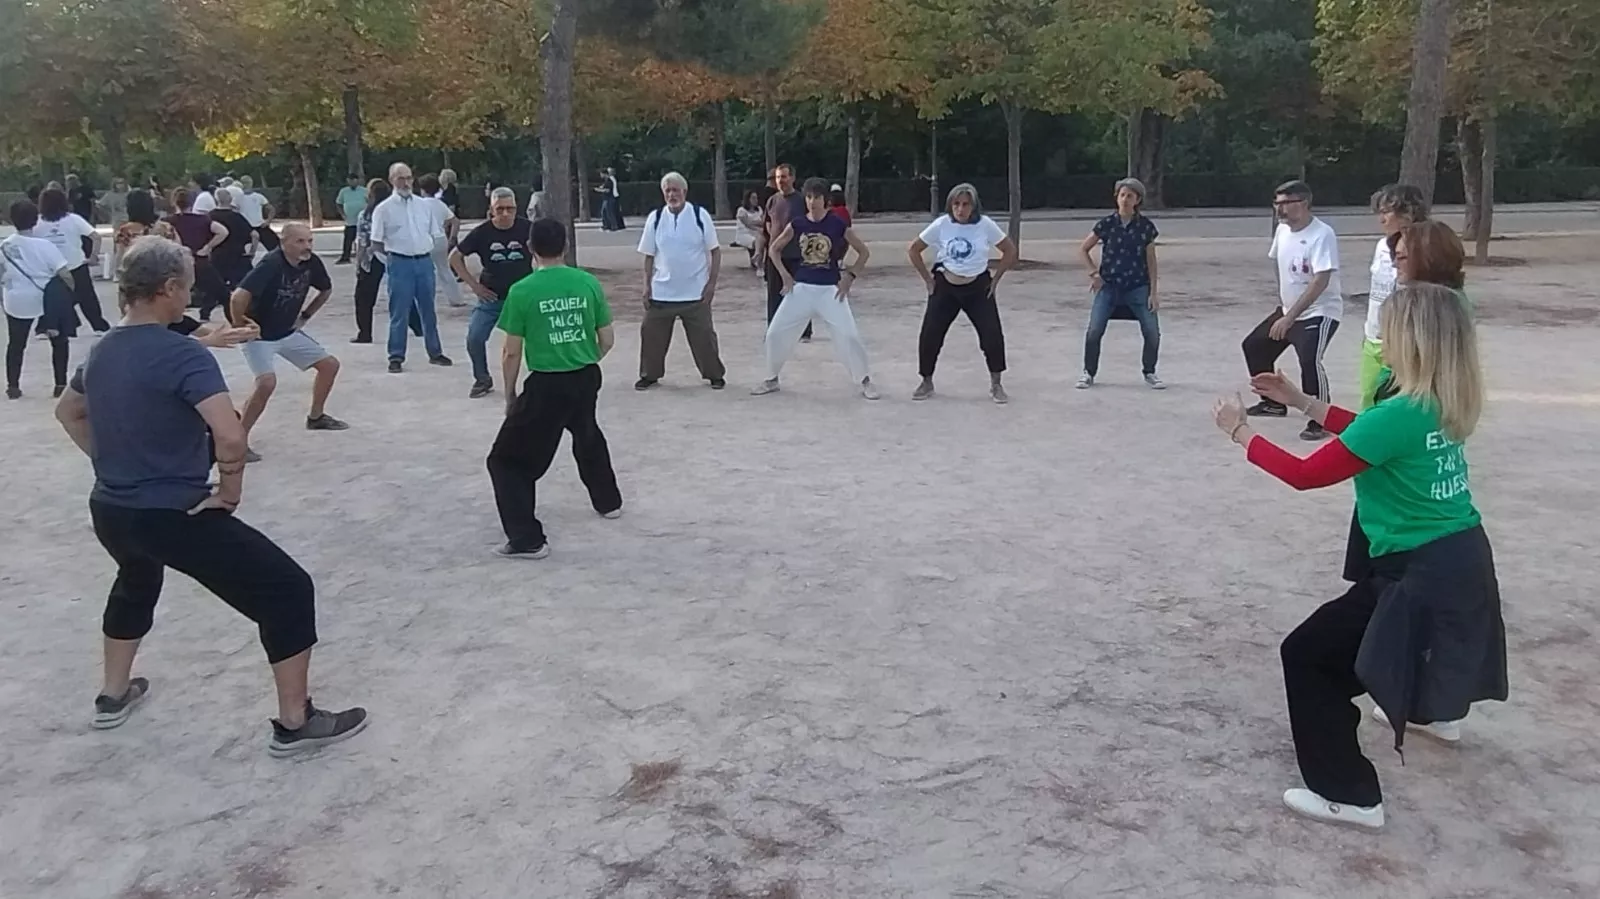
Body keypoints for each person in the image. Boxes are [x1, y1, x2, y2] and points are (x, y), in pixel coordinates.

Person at [54, 236, 368, 755]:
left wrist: (109, 464)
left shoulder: (103, 348)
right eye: (188, 288)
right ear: (169, 288)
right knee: (286, 589)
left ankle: (113, 695)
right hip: (172, 512)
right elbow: (230, 434)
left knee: (136, 577)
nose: (190, 298)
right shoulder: (182, 355)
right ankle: (296, 720)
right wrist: (229, 491)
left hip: (111, 507)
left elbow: (69, 411)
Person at [1212, 282, 1507, 831]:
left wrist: (1242, 433)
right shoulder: (1439, 397)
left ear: (1411, 340)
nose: (1379, 338)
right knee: (1414, 645)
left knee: (1309, 657)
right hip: (1461, 556)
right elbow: (1367, 437)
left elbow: (1306, 474)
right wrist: (1300, 400)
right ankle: (1433, 714)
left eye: (1387, 329)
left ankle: (1348, 794)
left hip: (1418, 570)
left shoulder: (1398, 413)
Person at [487, 218, 623, 559]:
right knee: (586, 432)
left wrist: (510, 395)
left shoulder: (523, 290)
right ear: (564, 246)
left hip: (547, 383)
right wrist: (585, 358)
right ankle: (608, 501)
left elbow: (511, 351)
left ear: (531, 249)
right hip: (586, 375)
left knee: (506, 461)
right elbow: (607, 338)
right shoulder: (587, 283)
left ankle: (527, 539)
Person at [229, 223, 348, 459]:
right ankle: (237, 441)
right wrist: (240, 324)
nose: (306, 247)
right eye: (300, 241)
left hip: (286, 331)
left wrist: (304, 316)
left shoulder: (311, 262)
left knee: (329, 365)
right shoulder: (271, 264)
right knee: (266, 383)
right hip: (260, 335)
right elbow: (238, 297)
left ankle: (316, 417)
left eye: (309, 241)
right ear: (284, 243)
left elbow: (325, 290)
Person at [753, 177, 878, 400]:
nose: (812, 202)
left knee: (849, 335)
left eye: (817, 197)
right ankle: (771, 378)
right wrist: (785, 276)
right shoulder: (799, 224)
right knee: (775, 333)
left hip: (829, 290)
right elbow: (774, 249)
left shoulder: (837, 224)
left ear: (825, 200)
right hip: (801, 288)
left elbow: (864, 252)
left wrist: (849, 277)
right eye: (809, 197)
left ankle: (865, 379)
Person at [1243, 180, 1344, 441]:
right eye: (1277, 203)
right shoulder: (1282, 231)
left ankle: (1320, 418)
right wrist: (1283, 305)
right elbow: (1277, 263)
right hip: (1289, 309)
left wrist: (1290, 317)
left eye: (1286, 203)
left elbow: (1320, 281)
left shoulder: (1322, 234)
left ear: (1304, 203)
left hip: (1318, 311)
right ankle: (1272, 402)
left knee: (1309, 360)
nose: (1280, 209)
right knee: (1254, 346)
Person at [907, 182, 1018, 404]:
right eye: (956, 204)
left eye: (965, 204)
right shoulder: (942, 224)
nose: (960, 209)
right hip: (946, 285)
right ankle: (926, 380)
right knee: (931, 333)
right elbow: (914, 249)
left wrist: (996, 280)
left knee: (991, 335)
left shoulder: (985, 225)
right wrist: (928, 281)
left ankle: (996, 383)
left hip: (977, 286)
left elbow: (1009, 250)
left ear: (974, 206)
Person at [634, 172, 727, 392]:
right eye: (667, 190)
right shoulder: (655, 218)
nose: (672, 194)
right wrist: (646, 286)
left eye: (675, 190)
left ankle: (714, 374)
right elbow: (648, 255)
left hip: (695, 293)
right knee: (651, 334)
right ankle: (649, 374)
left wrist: (711, 284)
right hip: (661, 292)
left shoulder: (699, 215)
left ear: (684, 191)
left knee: (704, 338)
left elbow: (715, 251)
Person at [1076, 177, 1165, 390]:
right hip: (1109, 286)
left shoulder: (1145, 227)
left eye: (1130, 196)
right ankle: (1089, 372)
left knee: (1152, 331)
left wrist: (1153, 292)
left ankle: (1150, 371)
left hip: (1138, 286)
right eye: (1122, 195)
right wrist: (1093, 273)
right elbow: (1083, 249)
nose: (1125, 199)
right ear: (1117, 198)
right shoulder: (1106, 224)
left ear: (1137, 200)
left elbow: (1151, 262)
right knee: (1094, 329)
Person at [451, 187, 533, 399]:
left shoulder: (528, 228)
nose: (505, 214)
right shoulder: (482, 232)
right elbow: (454, 257)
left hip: (524, 296)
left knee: (538, 339)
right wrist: (474, 286)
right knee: (474, 338)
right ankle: (482, 378)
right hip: (492, 297)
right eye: (500, 209)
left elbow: (547, 253)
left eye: (510, 209)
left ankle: (541, 380)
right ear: (491, 210)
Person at [370, 162, 452, 371]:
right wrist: (389, 262)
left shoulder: (424, 205)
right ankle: (396, 356)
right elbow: (376, 241)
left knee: (428, 310)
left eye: (408, 178)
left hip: (424, 261)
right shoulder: (384, 209)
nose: (406, 182)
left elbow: (435, 232)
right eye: (400, 178)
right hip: (399, 262)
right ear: (392, 181)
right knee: (399, 312)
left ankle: (435, 352)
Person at [1359, 184, 1429, 408]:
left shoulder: (1425, 248)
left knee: (1398, 405)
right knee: (1368, 404)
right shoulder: (1381, 246)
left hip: (1403, 344)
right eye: (1379, 212)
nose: (1382, 219)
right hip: (1374, 340)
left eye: (1387, 212)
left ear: (1408, 212)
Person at [2, 200, 76, 399]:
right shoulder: (45, 246)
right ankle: (60, 383)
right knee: (59, 342)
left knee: (16, 344)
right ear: (36, 220)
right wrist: (70, 294)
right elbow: (65, 273)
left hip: (16, 299)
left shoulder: (4, 246)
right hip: (46, 299)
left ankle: (13, 386)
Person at [33, 187, 111, 333]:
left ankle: (44, 327)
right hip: (75, 264)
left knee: (49, 298)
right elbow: (95, 236)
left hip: (51, 268)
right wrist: (93, 256)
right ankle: (99, 326)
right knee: (87, 298)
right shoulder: (74, 219)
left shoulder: (37, 223)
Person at [164, 187, 230, 321]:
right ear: (192, 202)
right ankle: (236, 322)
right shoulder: (202, 219)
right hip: (200, 261)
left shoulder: (168, 221)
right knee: (223, 294)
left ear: (174, 202)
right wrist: (207, 247)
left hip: (176, 263)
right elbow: (223, 231)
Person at [763, 164, 811, 342]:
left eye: (783, 177)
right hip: (775, 255)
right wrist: (774, 240)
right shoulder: (772, 200)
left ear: (792, 178)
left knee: (799, 293)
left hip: (796, 253)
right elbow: (767, 222)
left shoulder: (801, 200)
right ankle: (774, 330)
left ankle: (804, 331)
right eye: (777, 177)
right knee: (774, 293)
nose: (780, 181)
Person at [417, 173, 465, 308]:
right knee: (444, 269)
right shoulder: (440, 204)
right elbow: (455, 221)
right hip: (441, 238)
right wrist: (453, 238)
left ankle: (426, 300)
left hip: (425, 240)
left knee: (425, 271)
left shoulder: (418, 204)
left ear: (422, 189)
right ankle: (456, 298)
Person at [352, 178, 390, 344]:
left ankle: (365, 332)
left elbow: (362, 240)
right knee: (401, 295)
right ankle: (418, 327)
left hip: (371, 256)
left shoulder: (366, 214)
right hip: (392, 255)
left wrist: (359, 262)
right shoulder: (392, 211)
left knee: (363, 298)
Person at [209, 187, 257, 293]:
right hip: (236, 255)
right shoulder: (237, 217)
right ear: (230, 199)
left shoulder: (209, 216)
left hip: (217, 255)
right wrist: (252, 252)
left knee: (216, 286)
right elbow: (255, 235)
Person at [97, 178, 131, 278]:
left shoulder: (128, 194)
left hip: (128, 220)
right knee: (117, 245)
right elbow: (100, 204)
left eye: (122, 183)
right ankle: (116, 270)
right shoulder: (110, 195)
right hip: (117, 221)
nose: (120, 186)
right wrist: (107, 214)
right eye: (118, 184)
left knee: (129, 244)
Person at [234, 175, 278, 252]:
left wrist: (268, 221)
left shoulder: (259, 197)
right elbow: (234, 211)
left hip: (259, 225)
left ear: (251, 183)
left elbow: (271, 209)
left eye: (248, 183)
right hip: (244, 227)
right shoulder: (237, 197)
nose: (246, 185)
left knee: (274, 246)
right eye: (244, 183)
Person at [335, 174, 367, 264]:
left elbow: (370, 201)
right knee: (348, 239)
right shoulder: (344, 191)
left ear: (358, 181)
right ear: (348, 181)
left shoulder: (364, 191)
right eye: (350, 180)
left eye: (354, 180)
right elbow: (338, 203)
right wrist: (342, 214)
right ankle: (345, 257)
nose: (353, 182)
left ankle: (363, 257)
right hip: (350, 220)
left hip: (362, 220)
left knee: (363, 240)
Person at [734, 190, 764, 270]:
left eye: (756, 198)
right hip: (744, 234)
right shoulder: (741, 210)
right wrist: (756, 225)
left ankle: (757, 259)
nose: (755, 200)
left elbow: (762, 222)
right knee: (757, 239)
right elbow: (747, 224)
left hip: (757, 234)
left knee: (761, 238)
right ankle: (757, 259)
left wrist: (753, 222)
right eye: (753, 198)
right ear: (748, 199)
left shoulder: (759, 210)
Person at [596, 167, 624, 231]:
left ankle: (613, 226)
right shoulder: (608, 180)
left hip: (609, 198)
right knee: (605, 212)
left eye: (601, 174)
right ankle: (607, 225)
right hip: (608, 198)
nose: (600, 176)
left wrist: (599, 190)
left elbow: (608, 190)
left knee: (609, 212)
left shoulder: (609, 180)